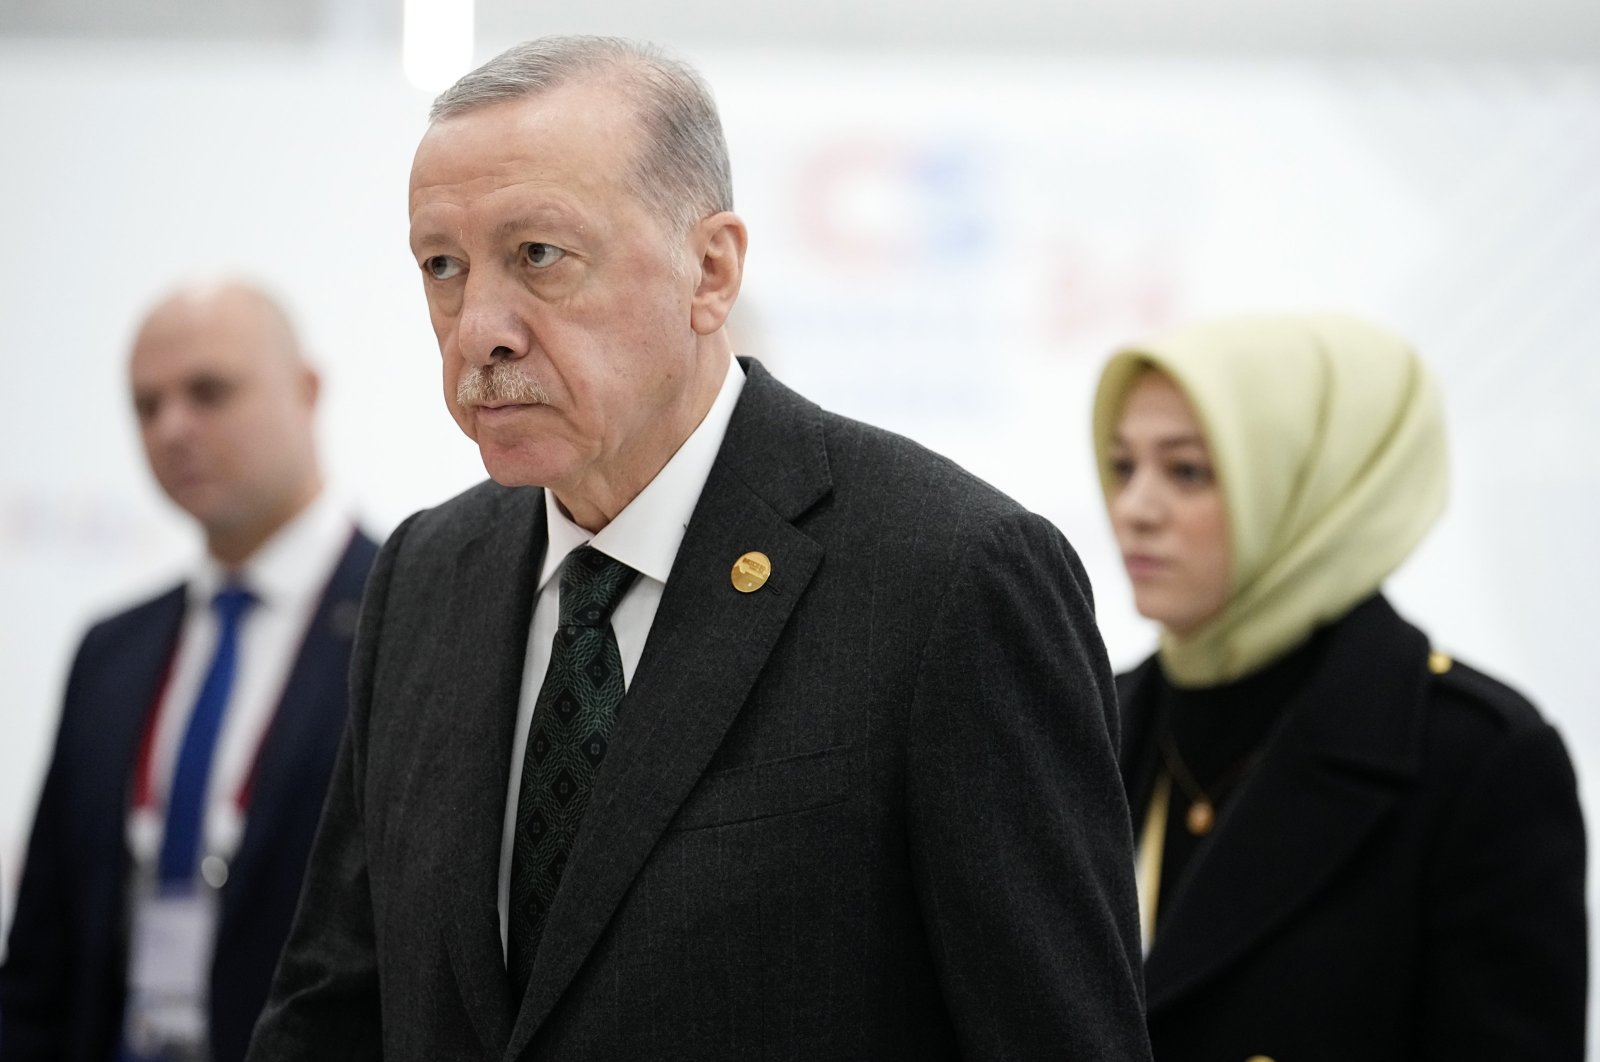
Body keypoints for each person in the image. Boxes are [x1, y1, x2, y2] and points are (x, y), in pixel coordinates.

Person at [247, 35, 1151, 1062]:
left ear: (710, 270)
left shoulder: (948, 576)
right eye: (442, 267)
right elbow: (335, 1001)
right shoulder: (422, 578)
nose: (477, 331)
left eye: (538, 255)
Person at [1092, 312, 1587, 1060]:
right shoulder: (1092, 720)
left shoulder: (1474, 760)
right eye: (1123, 466)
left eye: (1187, 470)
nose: (1135, 510)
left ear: (1317, 487)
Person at [0, 281, 378, 1062]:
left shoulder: (405, 618)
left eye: (209, 392)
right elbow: (44, 946)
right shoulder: (112, 651)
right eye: (146, 405)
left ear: (306, 392)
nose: (173, 428)